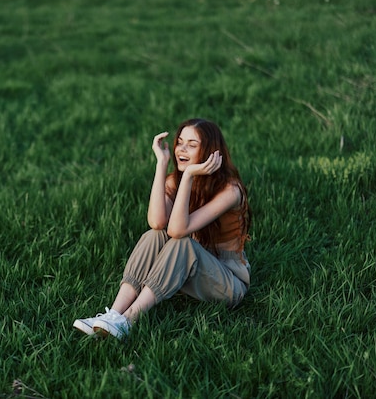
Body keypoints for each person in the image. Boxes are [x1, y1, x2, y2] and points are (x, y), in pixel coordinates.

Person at [73, 118, 252, 340]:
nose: (181, 149)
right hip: (196, 267)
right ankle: (114, 314)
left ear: (209, 151)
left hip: (229, 282)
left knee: (182, 243)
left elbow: (178, 231)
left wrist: (187, 176)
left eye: (192, 144)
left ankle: (128, 320)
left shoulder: (230, 190)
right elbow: (157, 223)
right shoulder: (174, 180)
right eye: (179, 142)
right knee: (154, 235)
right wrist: (161, 164)